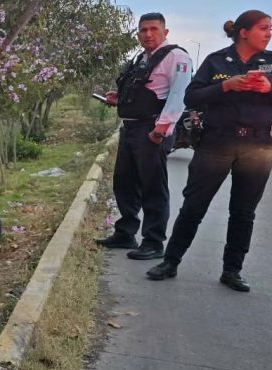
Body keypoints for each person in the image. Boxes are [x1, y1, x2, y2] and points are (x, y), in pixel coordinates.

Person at [146, 10, 272, 291]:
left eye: (270, 29)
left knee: (243, 212)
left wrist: (270, 88)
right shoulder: (216, 60)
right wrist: (225, 86)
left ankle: (232, 270)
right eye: (263, 28)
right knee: (194, 206)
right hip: (216, 143)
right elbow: (192, 95)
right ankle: (170, 262)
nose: (268, 33)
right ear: (244, 32)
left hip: (257, 147)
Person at [96, 12, 192, 260]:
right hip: (130, 129)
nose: (147, 34)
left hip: (152, 131)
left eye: (153, 29)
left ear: (165, 32)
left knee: (153, 187)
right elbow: (144, 90)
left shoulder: (176, 57)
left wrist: (161, 129)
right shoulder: (142, 58)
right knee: (125, 183)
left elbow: (179, 95)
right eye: (143, 30)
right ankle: (126, 232)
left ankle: (153, 241)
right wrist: (119, 98)